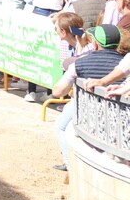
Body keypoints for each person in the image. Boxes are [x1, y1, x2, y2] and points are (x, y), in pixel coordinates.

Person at [51, 24, 125, 172]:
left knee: (61, 126)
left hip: (88, 113)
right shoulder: (124, 63)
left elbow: (57, 92)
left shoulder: (80, 63)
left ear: (95, 44)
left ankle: (69, 165)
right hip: (120, 115)